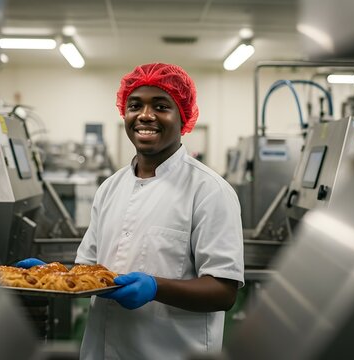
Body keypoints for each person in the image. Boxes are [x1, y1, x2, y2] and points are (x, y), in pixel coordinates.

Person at [19, 63, 244, 359]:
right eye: (134, 105)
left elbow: (224, 291)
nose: (145, 115)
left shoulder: (209, 191)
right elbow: (91, 270)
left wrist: (155, 288)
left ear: (183, 117)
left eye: (161, 106)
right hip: (100, 350)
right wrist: (55, 275)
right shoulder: (110, 188)